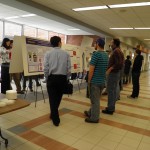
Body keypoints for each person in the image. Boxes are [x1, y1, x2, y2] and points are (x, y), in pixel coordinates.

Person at [44, 36, 71, 126]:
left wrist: (47, 78)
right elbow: (68, 68)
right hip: (62, 78)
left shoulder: (48, 54)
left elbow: (46, 68)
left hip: (52, 78)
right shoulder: (66, 54)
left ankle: (54, 116)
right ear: (59, 42)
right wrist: (67, 78)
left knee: (52, 98)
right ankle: (55, 118)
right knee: (58, 98)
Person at [84, 38, 108, 123]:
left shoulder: (95, 54)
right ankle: (90, 112)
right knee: (96, 99)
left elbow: (91, 70)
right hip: (102, 81)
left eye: (95, 43)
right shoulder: (106, 55)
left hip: (95, 82)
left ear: (97, 44)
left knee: (95, 101)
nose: (94, 45)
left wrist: (89, 81)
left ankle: (94, 118)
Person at [102, 38, 124, 115]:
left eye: (111, 43)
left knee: (111, 91)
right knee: (112, 91)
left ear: (115, 44)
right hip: (115, 73)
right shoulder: (118, 50)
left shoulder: (116, 51)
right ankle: (111, 107)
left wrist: (110, 68)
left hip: (113, 74)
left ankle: (110, 109)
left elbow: (119, 63)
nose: (110, 44)